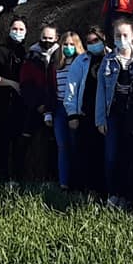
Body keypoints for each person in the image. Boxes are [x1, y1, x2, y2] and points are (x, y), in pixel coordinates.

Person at [95, 19, 133, 209]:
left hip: (132, 117)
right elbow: (101, 91)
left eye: (125, 35)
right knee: (111, 156)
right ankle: (112, 194)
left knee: (129, 156)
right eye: (118, 35)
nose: (122, 39)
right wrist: (100, 119)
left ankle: (127, 196)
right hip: (113, 114)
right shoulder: (108, 60)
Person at [64, 26, 109, 196]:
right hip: (85, 113)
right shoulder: (81, 61)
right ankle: (85, 190)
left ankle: (104, 190)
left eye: (95, 41)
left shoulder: (112, 57)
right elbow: (72, 88)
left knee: (106, 155)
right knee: (85, 153)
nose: (92, 45)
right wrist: (72, 114)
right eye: (89, 42)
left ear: (103, 38)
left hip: (106, 115)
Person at [0, 16, 28, 185]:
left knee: (19, 141)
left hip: (21, 103)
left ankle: (18, 176)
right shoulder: (1, 50)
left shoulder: (26, 52)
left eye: (21, 30)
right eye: (15, 29)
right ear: (9, 30)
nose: (17, 32)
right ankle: (4, 177)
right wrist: (12, 83)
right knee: (5, 140)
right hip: (4, 101)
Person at [18, 25, 61, 178]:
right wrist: (37, 104)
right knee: (25, 138)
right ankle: (17, 176)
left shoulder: (60, 55)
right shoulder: (31, 56)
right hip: (35, 105)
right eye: (44, 37)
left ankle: (52, 177)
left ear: (56, 38)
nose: (46, 41)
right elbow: (25, 83)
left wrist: (50, 105)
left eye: (50, 38)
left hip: (55, 105)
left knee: (53, 142)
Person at [52, 31, 84, 190]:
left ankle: (77, 183)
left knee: (75, 146)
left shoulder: (82, 63)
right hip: (60, 109)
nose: (69, 47)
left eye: (72, 44)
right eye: (66, 44)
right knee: (62, 147)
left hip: (75, 109)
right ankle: (63, 183)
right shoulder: (58, 64)